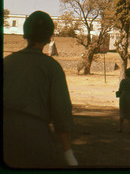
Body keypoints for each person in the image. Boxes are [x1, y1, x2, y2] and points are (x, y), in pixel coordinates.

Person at [3, 11, 78, 168]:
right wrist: (68, 152)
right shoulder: (52, 68)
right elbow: (61, 112)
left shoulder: (7, 62)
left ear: (25, 34)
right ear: (49, 36)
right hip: (36, 138)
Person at [117, 68, 130, 134]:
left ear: (126, 73)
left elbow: (120, 89)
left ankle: (120, 128)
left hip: (123, 96)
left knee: (122, 112)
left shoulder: (123, 81)